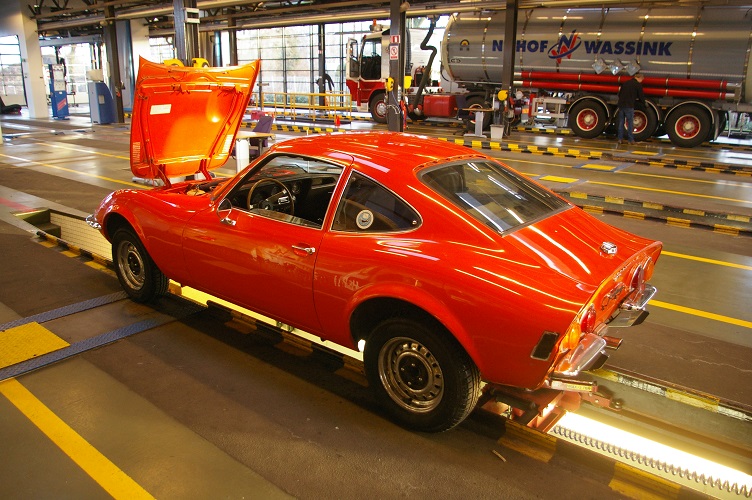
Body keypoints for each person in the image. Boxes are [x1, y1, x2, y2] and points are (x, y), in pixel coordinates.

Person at [616, 73, 645, 145]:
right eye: (642, 79)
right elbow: (641, 96)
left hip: (621, 105)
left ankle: (620, 139)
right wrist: (644, 103)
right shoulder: (637, 85)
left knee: (621, 122)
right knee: (630, 123)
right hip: (629, 105)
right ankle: (630, 140)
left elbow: (619, 94)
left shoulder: (625, 83)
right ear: (640, 78)